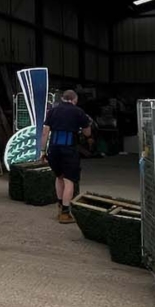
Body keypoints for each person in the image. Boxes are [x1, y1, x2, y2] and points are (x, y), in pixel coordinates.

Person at [41, 90, 92, 224]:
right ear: (74, 99)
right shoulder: (78, 112)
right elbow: (87, 132)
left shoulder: (52, 111)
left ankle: (59, 207)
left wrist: (42, 151)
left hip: (53, 149)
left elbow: (45, 132)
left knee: (59, 177)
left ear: (63, 98)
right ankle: (65, 213)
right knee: (69, 180)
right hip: (69, 149)